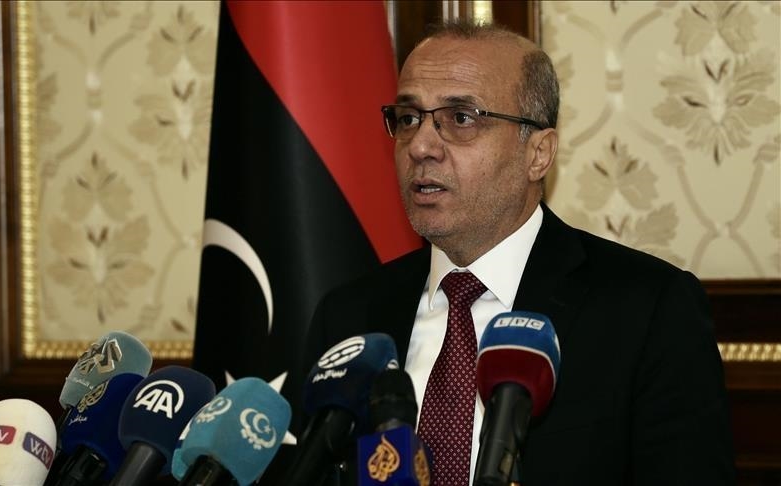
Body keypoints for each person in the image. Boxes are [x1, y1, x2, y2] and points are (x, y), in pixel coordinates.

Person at [302, 20, 735, 485]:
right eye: (408, 119)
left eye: (461, 118)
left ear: (538, 154)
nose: (421, 146)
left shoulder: (648, 311)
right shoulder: (348, 316)